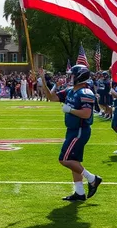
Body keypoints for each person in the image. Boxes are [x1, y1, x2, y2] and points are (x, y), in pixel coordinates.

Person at [39, 65, 102, 201]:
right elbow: (52, 98)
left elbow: (86, 114)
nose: (70, 77)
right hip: (72, 130)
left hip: (80, 130)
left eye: (72, 75)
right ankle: (79, 193)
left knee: (64, 159)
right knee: (74, 160)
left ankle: (92, 178)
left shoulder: (85, 92)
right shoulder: (70, 91)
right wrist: (43, 81)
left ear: (79, 76)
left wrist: (70, 110)